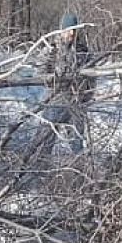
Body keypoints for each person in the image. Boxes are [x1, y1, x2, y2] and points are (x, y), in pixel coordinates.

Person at [43, 12, 95, 149]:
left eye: (74, 30)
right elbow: (41, 74)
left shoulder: (83, 51)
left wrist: (85, 98)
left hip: (76, 104)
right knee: (44, 143)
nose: (71, 33)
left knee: (77, 146)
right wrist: (54, 81)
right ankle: (38, 169)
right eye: (68, 30)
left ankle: (77, 169)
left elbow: (92, 79)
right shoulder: (51, 50)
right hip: (54, 102)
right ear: (62, 30)